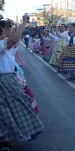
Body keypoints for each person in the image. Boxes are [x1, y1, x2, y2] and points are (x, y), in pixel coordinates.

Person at [0, 15, 45, 150]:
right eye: (4, 31)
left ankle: (4, 142)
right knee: (5, 113)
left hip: (8, 81)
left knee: (10, 112)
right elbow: (13, 40)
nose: (7, 33)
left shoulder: (5, 46)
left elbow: (15, 41)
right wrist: (24, 23)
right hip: (3, 82)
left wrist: (12, 28)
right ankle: (3, 143)